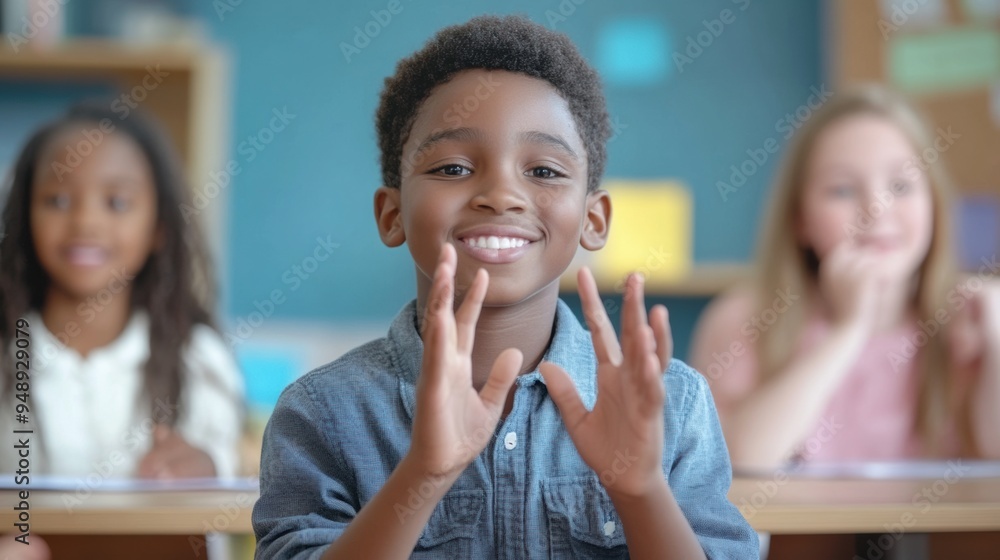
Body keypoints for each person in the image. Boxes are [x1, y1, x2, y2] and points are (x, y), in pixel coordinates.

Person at [253, 15, 757, 559]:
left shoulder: (670, 404)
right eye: (451, 168)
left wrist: (641, 491)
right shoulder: (323, 413)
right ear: (392, 214)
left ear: (594, 219)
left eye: (543, 171)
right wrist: (421, 475)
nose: (501, 194)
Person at [690, 85, 1000, 471]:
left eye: (901, 186)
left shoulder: (970, 318)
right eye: (842, 190)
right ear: (799, 219)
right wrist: (849, 328)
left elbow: (992, 454)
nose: (876, 208)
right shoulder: (744, 319)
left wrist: (995, 340)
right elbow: (741, 459)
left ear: (933, 203)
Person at [0, 102, 244, 482]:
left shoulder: (197, 360)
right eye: (58, 200)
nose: (85, 221)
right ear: (24, 217)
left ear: (159, 226)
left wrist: (207, 468)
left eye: (117, 202)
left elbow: (226, 477)